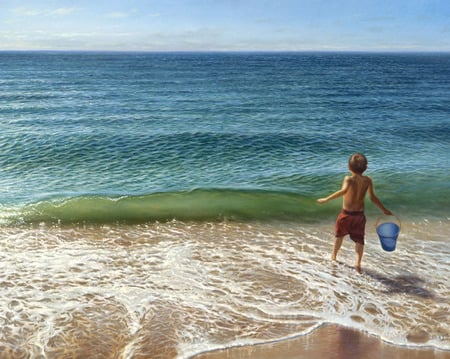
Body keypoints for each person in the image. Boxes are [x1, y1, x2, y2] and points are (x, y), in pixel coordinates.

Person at [317, 153, 392, 272]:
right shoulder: (368, 180)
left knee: (339, 236)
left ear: (348, 167)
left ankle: (334, 257)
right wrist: (384, 210)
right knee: (359, 240)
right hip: (359, 216)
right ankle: (358, 263)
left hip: (346, 214)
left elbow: (343, 191)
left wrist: (326, 199)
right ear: (366, 168)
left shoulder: (348, 179)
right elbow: (373, 198)